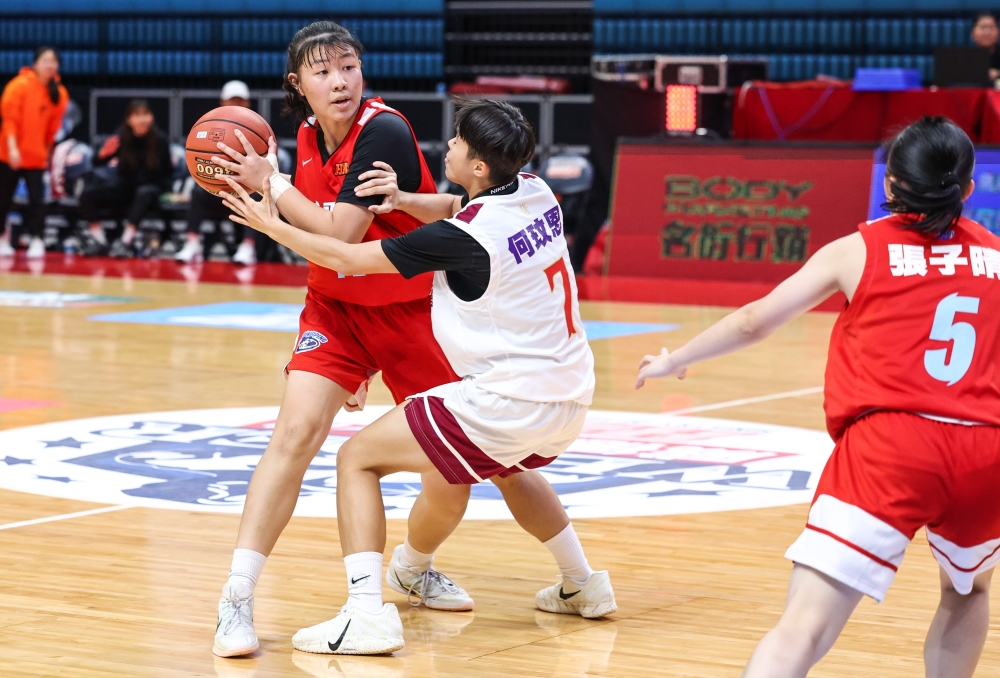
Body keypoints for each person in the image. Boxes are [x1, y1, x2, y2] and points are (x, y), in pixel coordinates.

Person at [206, 24, 608, 658]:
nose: (340, 80)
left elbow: (341, 236)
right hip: (336, 310)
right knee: (293, 436)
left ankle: (418, 569)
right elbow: (363, 244)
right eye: (323, 71)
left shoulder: (384, 129)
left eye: (348, 66)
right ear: (297, 85)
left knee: (482, 470)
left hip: (408, 310)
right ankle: (236, 595)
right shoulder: (306, 135)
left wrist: (272, 191)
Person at [636, 117, 1000, 678]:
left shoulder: (858, 250)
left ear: (889, 183)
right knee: (967, 591)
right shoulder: (996, 253)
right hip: (985, 451)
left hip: (892, 447)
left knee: (802, 628)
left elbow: (756, 321)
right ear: (969, 189)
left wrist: (675, 359)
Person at [175, 80, 260, 265]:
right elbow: (197, 160)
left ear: (247, 103)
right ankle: (192, 243)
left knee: (255, 193)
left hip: (244, 188)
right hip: (218, 186)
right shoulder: (209, 127)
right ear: (223, 102)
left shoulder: (257, 128)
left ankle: (248, 246)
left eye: (240, 100)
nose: (236, 104)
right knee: (198, 192)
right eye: (232, 100)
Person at [80, 99, 173, 258]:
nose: (143, 119)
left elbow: (168, 173)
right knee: (87, 194)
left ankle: (125, 242)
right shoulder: (121, 138)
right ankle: (100, 241)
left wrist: (169, 192)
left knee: (143, 193)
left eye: (146, 114)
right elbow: (96, 163)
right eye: (137, 115)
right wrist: (103, 154)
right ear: (129, 120)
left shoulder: (160, 140)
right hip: (126, 187)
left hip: (151, 190)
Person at [0, 47, 69, 258]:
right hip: (9, 155)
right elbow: (9, 120)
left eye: (54, 61)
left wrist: (47, 150)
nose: (50, 65)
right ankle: (2, 238)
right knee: (3, 198)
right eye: (45, 60)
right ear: (35, 64)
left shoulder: (59, 93)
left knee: (38, 201)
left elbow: (53, 128)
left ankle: (37, 239)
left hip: (37, 157)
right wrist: (12, 149)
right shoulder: (18, 86)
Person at [971, 12, 1000, 81]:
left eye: (991, 28)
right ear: (972, 33)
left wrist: (998, 73)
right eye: (983, 27)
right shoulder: (964, 57)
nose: (987, 32)